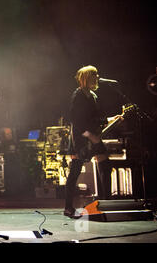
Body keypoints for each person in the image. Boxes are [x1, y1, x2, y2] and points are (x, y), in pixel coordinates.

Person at [64, 65, 123, 218]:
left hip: (93, 137)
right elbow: (75, 120)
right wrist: (90, 135)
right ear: (87, 78)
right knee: (75, 172)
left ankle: (106, 201)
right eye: (94, 75)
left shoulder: (93, 96)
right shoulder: (78, 95)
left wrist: (111, 119)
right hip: (80, 139)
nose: (97, 78)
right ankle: (68, 207)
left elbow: (94, 119)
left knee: (104, 162)